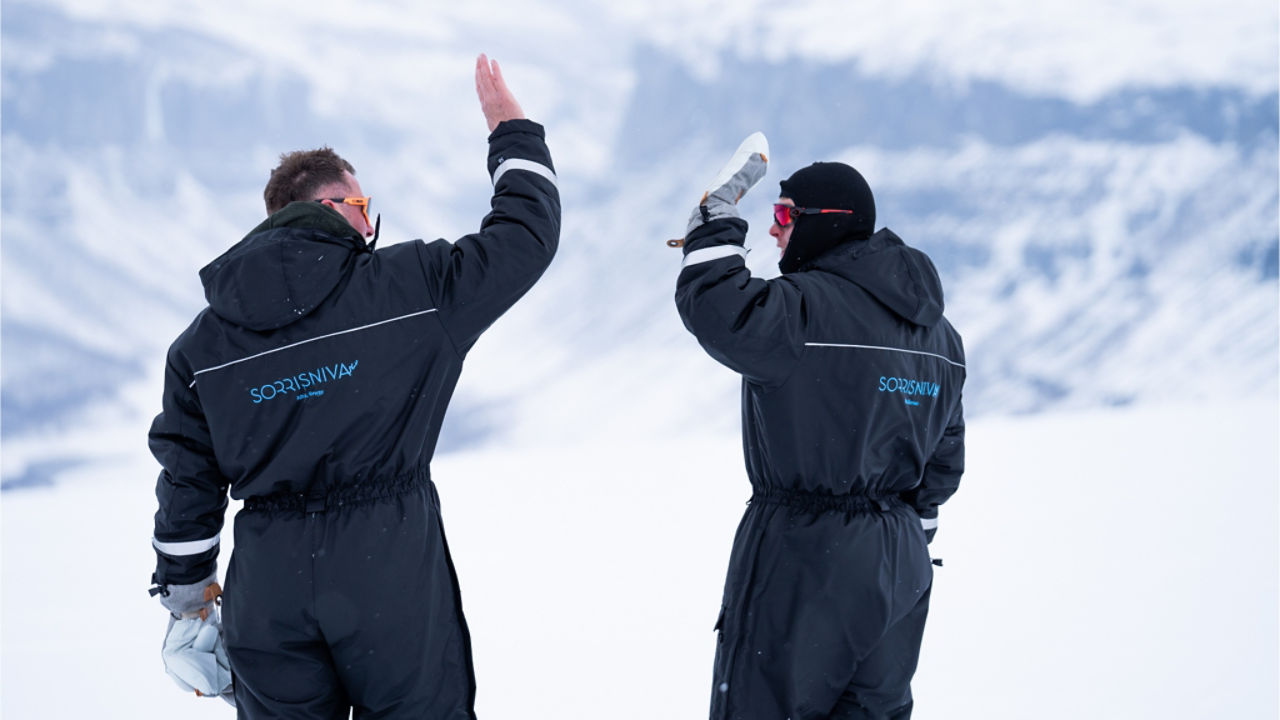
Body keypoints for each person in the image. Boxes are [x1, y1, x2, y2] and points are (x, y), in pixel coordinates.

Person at [147, 54, 560, 718]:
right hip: (386, 569)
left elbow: (187, 480)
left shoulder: (203, 345)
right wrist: (511, 132)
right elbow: (524, 239)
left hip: (267, 587)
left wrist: (188, 601)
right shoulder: (407, 287)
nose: (369, 224)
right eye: (361, 205)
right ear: (333, 205)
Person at [674, 138, 965, 719]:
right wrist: (911, 529)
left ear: (824, 224)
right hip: (900, 565)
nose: (776, 231)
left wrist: (718, 215)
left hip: (808, 556)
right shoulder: (942, 338)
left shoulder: (802, 311)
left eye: (784, 215)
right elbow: (944, 457)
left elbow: (714, 305)